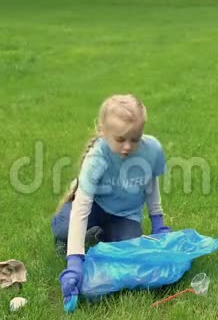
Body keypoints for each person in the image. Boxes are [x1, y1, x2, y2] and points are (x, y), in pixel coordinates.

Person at [51, 94, 171, 305]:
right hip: (95, 206)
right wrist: (75, 261)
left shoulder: (152, 150)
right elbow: (81, 208)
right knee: (64, 230)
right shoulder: (97, 158)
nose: (127, 146)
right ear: (103, 132)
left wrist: (158, 223)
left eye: (135, 139)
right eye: (120, 139)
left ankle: (102, 234)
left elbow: (151, 185)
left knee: (127, 257)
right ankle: (77, 235)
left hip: (125, 215)